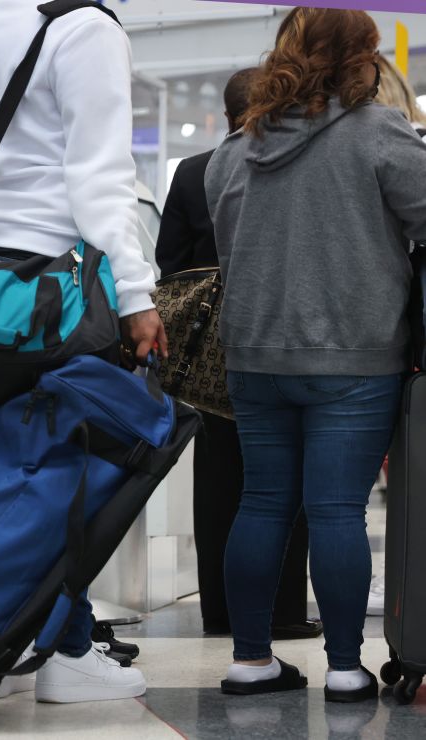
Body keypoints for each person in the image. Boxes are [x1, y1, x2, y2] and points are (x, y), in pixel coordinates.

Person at [0, 0, 166, 704]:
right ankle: (66, 651)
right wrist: (135, 292)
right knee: (63, 479)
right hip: (48, 291)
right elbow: (99, 175)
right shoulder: (86, 28)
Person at [206, 8, 426, 702]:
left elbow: (228, 247)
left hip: (254, 355)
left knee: (263, 502)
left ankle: (249, 659)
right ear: (363, 56)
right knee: (335, 511)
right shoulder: (380, 133)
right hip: (352, 356)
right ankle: (342, 666)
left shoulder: (236, 149)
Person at [155, 69, 320, 642]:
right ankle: (282, 610)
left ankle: (219, 610)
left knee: (219, 478)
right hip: (281, 332)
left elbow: (169, 265)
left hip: (210, 349)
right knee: (283, 478)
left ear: (223, 116)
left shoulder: (194, 171)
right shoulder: (293, 164)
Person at [365, 56, 426, 619]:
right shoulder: (406, 146)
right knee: (405, 466)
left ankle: (393, 577)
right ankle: (401, 574)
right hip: (410, 331)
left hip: (369, 330)